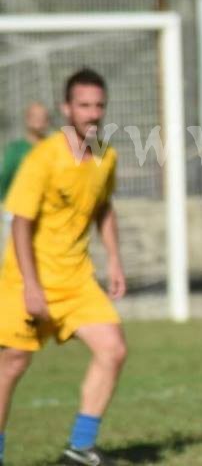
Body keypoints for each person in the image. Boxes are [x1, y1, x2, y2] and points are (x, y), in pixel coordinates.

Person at [0, 68, 127, 466]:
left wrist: (116, 261)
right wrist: (32, 288)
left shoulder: (106, 156)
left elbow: (103, 207)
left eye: (98, 105)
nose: (93, 113)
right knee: (12, 364)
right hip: (27, 279)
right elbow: (21, 221)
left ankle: (79, 447)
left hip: (76, 282)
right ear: (66, 108)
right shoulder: (44, 157)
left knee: (113, 349)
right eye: (84, 105)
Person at [0, 102, 51, 243]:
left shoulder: (53, 149)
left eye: (44, 118)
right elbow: (4, 178)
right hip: (17, 212)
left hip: (46, 213)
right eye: (36, 117)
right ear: (27, 119)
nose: (40, 121)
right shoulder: (16, 149)